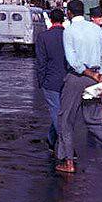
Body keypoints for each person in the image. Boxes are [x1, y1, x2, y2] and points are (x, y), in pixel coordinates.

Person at [55, 1, 102, 174]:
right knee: (94, 120)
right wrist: (100, 75)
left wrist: (88, 73)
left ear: (69, 13)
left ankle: (68, 161)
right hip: (96, 77)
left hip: (77, 78)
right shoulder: (96, 29)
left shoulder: (69, 31)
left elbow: (72, 61)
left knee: (65, 119)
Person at [35, 8, 67, 151]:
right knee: (62, 111)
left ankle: (65, 143)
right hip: (67, 78)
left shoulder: (43, 37)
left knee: (55, 112)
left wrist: (41, 80)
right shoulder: (68, 35)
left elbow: (41, 62)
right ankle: (51, 139)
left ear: (51, 20)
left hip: (50, 79)